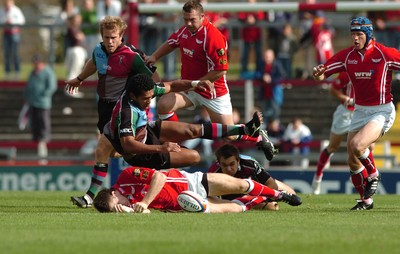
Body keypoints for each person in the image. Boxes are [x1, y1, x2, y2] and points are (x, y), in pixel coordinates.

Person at [71, 73, 263, 208]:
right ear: (133, 96)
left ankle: (244, 129)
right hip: (142, 154)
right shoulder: (126, 113)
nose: (149, 101)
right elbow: (128, 144)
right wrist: (160, 148)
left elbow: (171, 85)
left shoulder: (142, 90)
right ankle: (168, 181)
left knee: (192, 129)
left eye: (150, 96)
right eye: (145, 99)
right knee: (194, 157)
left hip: (147, 131)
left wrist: (195, 83)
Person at [145, 0, 273, 156]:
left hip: (213, 90)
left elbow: (221, 70)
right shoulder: (185, 30)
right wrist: (155, 56)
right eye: (186, 19)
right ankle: (174, 142)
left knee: (229, 135)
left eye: (192, 19)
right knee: (164, 105)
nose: (189, 23)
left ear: (202, 16)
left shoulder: (213, 37)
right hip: (189, 86)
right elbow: (172, 42)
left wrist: (199, 83)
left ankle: (258, 137)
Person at [66, 16, 157, 208]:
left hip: (122, 110)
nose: (109, 41)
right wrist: (80, 78)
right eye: (106, 37)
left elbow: (152, 78)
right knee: (117, 152)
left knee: (102, 149)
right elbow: (93, 62)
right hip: (105, 107)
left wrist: (148, 100)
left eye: (113, 37)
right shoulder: (99, 50)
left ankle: (89, 197)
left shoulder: (132, 55)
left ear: (121, 35)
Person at [312, 16, 400, 210]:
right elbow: (325, 69)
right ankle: (366, 201)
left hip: (382, 110)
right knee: (352, 160)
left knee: (357, 145)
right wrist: (319, 72)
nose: (355, 38)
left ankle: (374, 174)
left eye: (359, 34)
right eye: (353, 34)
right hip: (360, 110)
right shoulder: (348, 56)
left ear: (368, 35)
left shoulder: (384, 54)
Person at [93, 165, 302, 213]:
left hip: (191, 182)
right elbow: (147, 211)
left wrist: (144, 202)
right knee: (236, 208)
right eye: (116, 209)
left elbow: (159, 176)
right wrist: (135, 211)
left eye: (117, 203)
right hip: (186, 203)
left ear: (114, 193)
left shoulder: (126, 176)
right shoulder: (127, 208)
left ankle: (279, 194)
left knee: (239, 184)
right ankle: (258, 201)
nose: (121, 205)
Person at [208, 143, 296, 211]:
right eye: (224, 165)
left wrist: (257, 197)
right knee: (272, 207)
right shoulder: (213, 173)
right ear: (219, 163)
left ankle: (277, 194)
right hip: (233, 197)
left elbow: (271, 184)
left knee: (292, 193)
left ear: (238, 161)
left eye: (232, 164)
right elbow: (209, 196)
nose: (228, 169)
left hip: (259, 189)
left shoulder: (249, 164)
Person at [311, 72, 355, 195]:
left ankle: (358, 174)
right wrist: (348, 100)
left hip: (361, 112)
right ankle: (317, 178)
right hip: (345, 113)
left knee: (364, 146)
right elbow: (333, 90)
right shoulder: (347, 72)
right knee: (333, 147)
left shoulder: (373, 69)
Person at [24, 54, 57, 164]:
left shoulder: (48, 72)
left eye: (37, 63)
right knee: (35, 124)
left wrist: (43, 95)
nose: (36, 65)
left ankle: (43, 144)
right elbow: (29, 85)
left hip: (43, 103)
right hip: (33, 103)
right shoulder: (32, 73)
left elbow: (52, 86)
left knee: (43, 123)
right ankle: (37, 141)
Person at [237, 0, 265, 79]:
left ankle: (259, 73)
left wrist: (254, 19)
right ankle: (243, 74)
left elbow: (261, 16)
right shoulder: (244, 7)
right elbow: (240, 17)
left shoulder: (258, 7)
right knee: (245, 56)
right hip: (246, 37)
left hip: (257, 36)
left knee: (258, 56)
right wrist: (247, 19)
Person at [0, 0, 25, 80]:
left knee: (15, 53)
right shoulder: (2, 11)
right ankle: (7, 72)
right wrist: (5, 22)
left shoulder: (16, 10)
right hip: (6, 33)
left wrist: (12, 22)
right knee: (6, 54)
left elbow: (22, 21)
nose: (7, 5)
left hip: (15, 33)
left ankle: (17, 72)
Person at [260, 48, 286, 123]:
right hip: (264, 94)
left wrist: (271, 80)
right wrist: (262, 77)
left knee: (275, 114)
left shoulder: (277, 65)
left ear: (273, 56)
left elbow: (282, 76)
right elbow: (257, 74)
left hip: (275, 94)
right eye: (265, 56)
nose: (266, 58)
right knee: (264, 114)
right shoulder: (262, 65)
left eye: (268, 56)